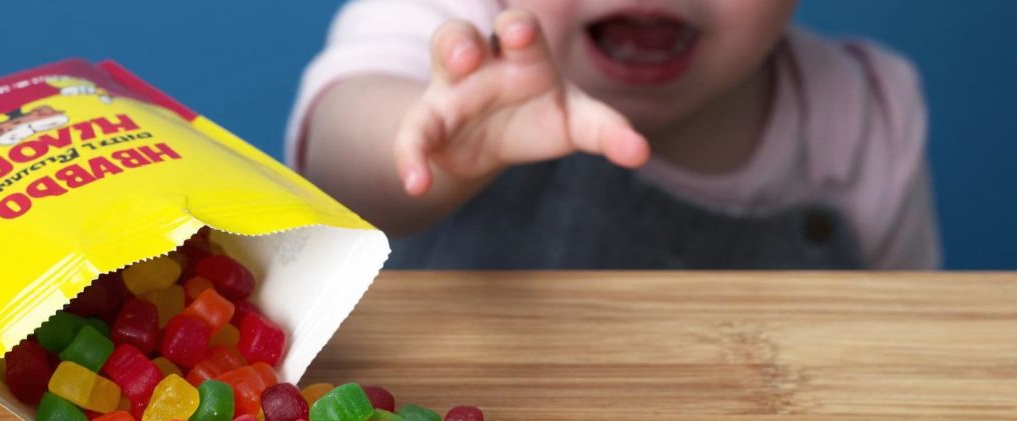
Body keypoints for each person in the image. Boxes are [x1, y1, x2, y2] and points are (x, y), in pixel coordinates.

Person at [288, 0, 939, 269]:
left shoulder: (864, 118)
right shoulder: (446, 35)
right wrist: (433, 136)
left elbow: (902, 353)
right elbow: (333, 165)